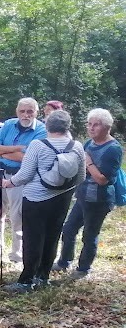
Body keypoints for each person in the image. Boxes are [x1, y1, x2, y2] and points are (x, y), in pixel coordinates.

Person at [1, 110, 81, 292]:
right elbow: (81, 176)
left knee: (33, 238)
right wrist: (64, 191)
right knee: (52, 237)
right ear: (67, 126)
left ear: (47, 126)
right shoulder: (76, 146)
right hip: (62, 199)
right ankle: (43, 277)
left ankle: (26, 280)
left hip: (36, 199)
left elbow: (25, 174)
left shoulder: (38, 145)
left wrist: (8, 182)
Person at [54, 109, 122, 280]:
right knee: (68, 229)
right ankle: (64, 261)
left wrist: (88, 161)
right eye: (89, 124)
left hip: (99, 200)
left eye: (96, 124)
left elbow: (102, 180)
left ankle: (83, 269)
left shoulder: (113, 149)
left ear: (107, 127)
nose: (91, 128)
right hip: (83, 196)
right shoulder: (88, 144)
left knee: (89, 235)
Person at [0, 98, 46, 264]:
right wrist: (15, 149)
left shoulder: (41, 130)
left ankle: (17, 256)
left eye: (30, 111)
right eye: (22, 111)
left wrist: (2, 151)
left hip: (22, 177)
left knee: (18, 216)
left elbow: (27, 159)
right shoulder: (9, 124)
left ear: (36, 113)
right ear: (17, 111)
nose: (26, 115)